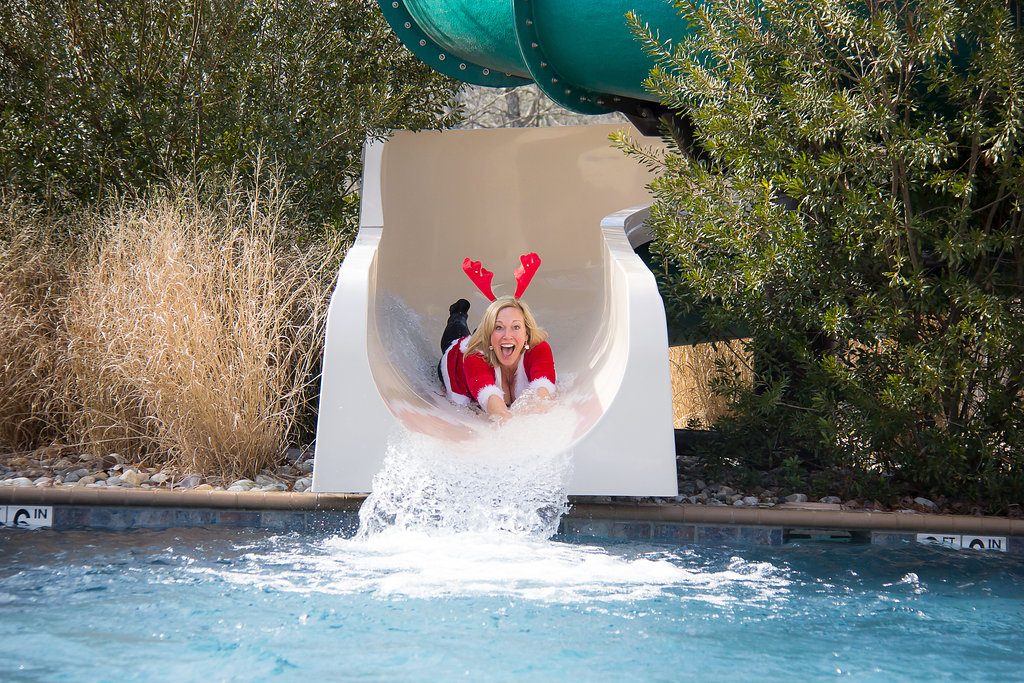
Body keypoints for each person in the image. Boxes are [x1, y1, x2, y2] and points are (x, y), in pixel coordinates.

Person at [438, 295, 555, 421]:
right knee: (455, 335)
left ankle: (488, 329)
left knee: (499, 339)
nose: (508, 335)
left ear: (526, 334)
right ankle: (458, 314)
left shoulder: (539, 349)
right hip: (455, 364)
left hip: (493, 344)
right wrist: (506, 420)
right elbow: (491, 400)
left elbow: (543, 393)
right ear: (489, 335)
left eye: (516, 327)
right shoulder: (474, 356)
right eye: (498, 327)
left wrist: (539, 409)